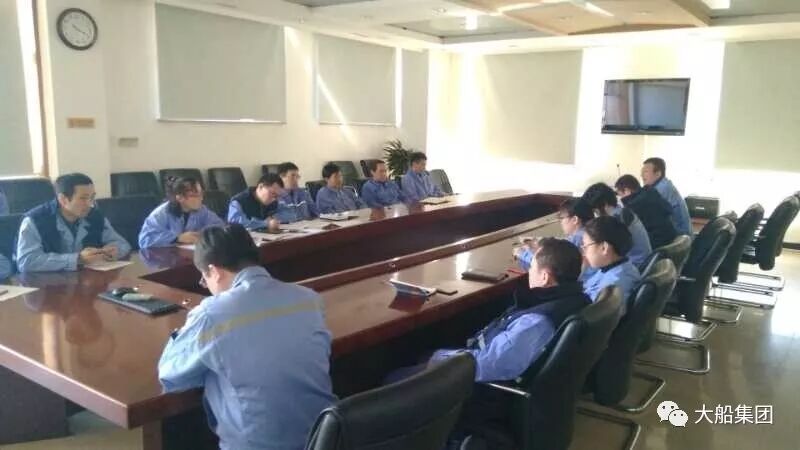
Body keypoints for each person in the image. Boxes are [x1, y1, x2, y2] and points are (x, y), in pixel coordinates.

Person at [158, 224, 336, 450]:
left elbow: (171, 376)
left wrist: (185, 332)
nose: (206, 286)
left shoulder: (211, 314)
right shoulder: (309, 298)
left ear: (214, 271)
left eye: (204, 278)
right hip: (326, 439)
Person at [431, 238, 590, 382]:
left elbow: (486, 365)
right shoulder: (577, 299)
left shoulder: (536, 322)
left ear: (544, 277)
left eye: (531, 267)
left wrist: (437, 357)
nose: (529, 272)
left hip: (481, 387)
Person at [15, 173, 131, 273]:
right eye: (83, 198)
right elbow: (26, 261)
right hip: (47, 285)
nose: (90, 204)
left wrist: (113, 250)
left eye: (92, 197)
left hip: (86, 281)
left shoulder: (94, 215)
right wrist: (78, 259)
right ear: (63, 199)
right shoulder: (35, 220)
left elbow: (123, 244)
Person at [138, 177, 224, 248]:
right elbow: (145, 240)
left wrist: (202, 234)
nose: (201, 198)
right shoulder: (160, 214)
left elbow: (220, 225)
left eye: (201, 194)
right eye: (195, 195)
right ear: (180, 198)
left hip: (190, 255)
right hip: (166, 259)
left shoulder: (202, 210)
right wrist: (177, 238)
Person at [581, 182, 652, 269]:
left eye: (595, 211)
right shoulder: (621, 211)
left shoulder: (615, 220)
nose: (596, 215)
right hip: (643, 259)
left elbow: (610, 255)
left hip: (637, 264)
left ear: (604, 204)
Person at [580, 216, 641, 315]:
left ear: (604, 248)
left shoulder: (612, 288)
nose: (584, 253)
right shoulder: (616, 268)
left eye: (586, 247)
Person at [513, 198, 593, 270]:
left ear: (575, 219)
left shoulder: (575, 239)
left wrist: (522, 253)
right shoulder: (592, 232)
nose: (560, 222)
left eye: (561, 218)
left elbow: (547, 265)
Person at [615, 174, 678, 248]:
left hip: (659, 244)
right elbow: (669, 209)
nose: (621, 199)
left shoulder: (633, 206)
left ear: (627, 191)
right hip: (672, 236)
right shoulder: (651, 192)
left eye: (620, 195)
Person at [641, 157, 692, 236]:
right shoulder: (662, 185)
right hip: (677, 234)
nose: (641, 175)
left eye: (645, 171)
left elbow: (646, 212)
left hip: (679, 237)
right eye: (642, 172)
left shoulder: (663, 188)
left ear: (658, 173)